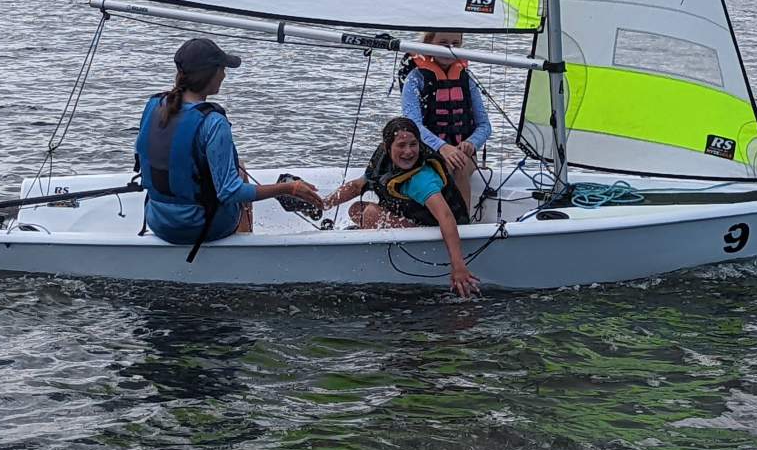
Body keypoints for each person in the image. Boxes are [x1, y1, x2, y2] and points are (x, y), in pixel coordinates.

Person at [135, 37, 323, 260]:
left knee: (235, 169)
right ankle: (243, 250)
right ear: (211, 74)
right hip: (197, 228)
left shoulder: (154, 104)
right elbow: (230, 192)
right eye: (222, 69)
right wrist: (287, 189)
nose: (224, 75)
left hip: (158, 220)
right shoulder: (213, 122)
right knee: (239, 174)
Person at [320, 117, 481, 297]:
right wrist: (322, 205)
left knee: (371, 214)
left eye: (413, 144)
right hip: (414, 219)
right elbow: (357, 186)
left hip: (434, 231)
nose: (408, 152)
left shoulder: (422, 179)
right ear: (388, 148)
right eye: (401, 145)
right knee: (356, 209)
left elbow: (446, 216)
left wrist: (458, 266)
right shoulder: (383, 158)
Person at [399, 31, 492, 209]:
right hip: (427, 151)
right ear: (428, 43)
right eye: (443, 42)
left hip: (463, 154)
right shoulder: (415, 79)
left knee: (458, 164)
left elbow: (485, 126)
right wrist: (442, 147)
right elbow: (413, 125)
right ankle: (434, 220)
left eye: (456, 43)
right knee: (441, 167)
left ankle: (463, 223)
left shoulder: (467, 80)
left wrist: (471, 143)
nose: (450, 48)